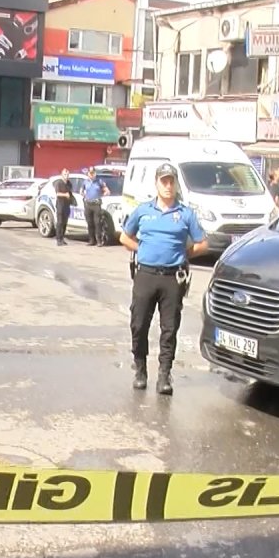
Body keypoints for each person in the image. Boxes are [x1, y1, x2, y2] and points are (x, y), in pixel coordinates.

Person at [120, 163, 207, 395]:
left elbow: (202, 243)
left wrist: (183, 254)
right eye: (164, 181)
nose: (168, 186)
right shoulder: (143, 210)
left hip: (172, 278)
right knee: (139, 325)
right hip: (146, 274)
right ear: (157, 184)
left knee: (169, 329)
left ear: (176, 183)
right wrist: (143, 248)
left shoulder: (185, 213)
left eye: (171, 181)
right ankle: (140, 369)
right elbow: (124, 237)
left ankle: (164, 374)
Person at [81, 167, 110, 245]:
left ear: (95, 173)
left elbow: (107, 191)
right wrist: (84, 196)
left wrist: (103, 195)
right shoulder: (85, 182)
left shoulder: (99, 181)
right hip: (88, 204)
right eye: (90, 173)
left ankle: (99, 241)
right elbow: (81, 191)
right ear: (88, 174)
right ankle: (91, 240)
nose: (91, 174)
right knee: (89, 223)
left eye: (93, 173)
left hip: (96, 205)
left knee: (97, 223)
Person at [52, 169, 73, 246]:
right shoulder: (59, 183)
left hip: (67, 205)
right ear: (62, 175)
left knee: (64, 223)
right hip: (60, 205)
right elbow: (57, 194)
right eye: (65, 174)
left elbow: (70, 192)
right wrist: (65, 195)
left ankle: (62, 238)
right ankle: (58, 239)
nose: (66, 176)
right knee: (60, 222)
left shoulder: (69, 183)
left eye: (67, 174)